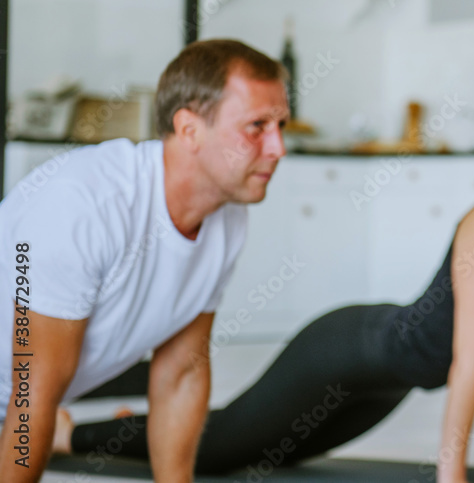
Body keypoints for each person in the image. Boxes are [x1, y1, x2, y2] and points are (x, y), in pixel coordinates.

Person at [60, 71, 474, 482]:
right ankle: (71, 436)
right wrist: (452, 474)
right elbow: (468, 363)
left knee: (276, 458)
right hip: (347, 354)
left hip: (393, 381)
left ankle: (128, 425)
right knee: (218, 448)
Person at [0, 39, 289, 483]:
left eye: (280, 125)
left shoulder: (227, 218)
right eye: (256, 126)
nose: (278, 148)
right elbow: (33, 393)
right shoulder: (85, 206)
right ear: (189, 130)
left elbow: (181, 371)